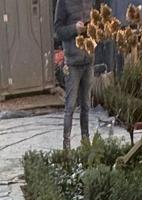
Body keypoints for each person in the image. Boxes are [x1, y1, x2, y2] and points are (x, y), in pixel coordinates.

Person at [54, 0, 93, 151]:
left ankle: (86, 142)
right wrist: (74, 29)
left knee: (86, 106)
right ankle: (66, 147)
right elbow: (58, 31)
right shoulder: (63, 2)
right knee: (70, 106)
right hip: (72, 62)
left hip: (88, 59)